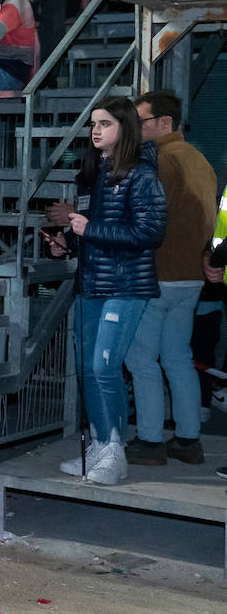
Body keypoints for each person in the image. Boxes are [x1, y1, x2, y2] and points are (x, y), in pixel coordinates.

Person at [46, 96, 166, 485]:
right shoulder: (95, 171)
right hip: (92, 283)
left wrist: (89, 229)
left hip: (126, 285)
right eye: (93, 124)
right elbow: (91, 230)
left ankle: (115, 450)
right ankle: (101, 444)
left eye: (105, 124)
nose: (95, 130)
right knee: (86, 369)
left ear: (124, 128)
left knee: (104, 367)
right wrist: (68, 240)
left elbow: (150, 233)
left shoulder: (142, 174)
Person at [120, 91, 218, 467]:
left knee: (140, 358)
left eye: (141, 122)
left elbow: (145, 223)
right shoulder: (200, 160)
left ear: (165, 123)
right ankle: (188, 440)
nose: (136, 129)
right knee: (178, 357)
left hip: (157, 275)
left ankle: (149, 441)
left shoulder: (158, 160)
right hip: (193, 277)